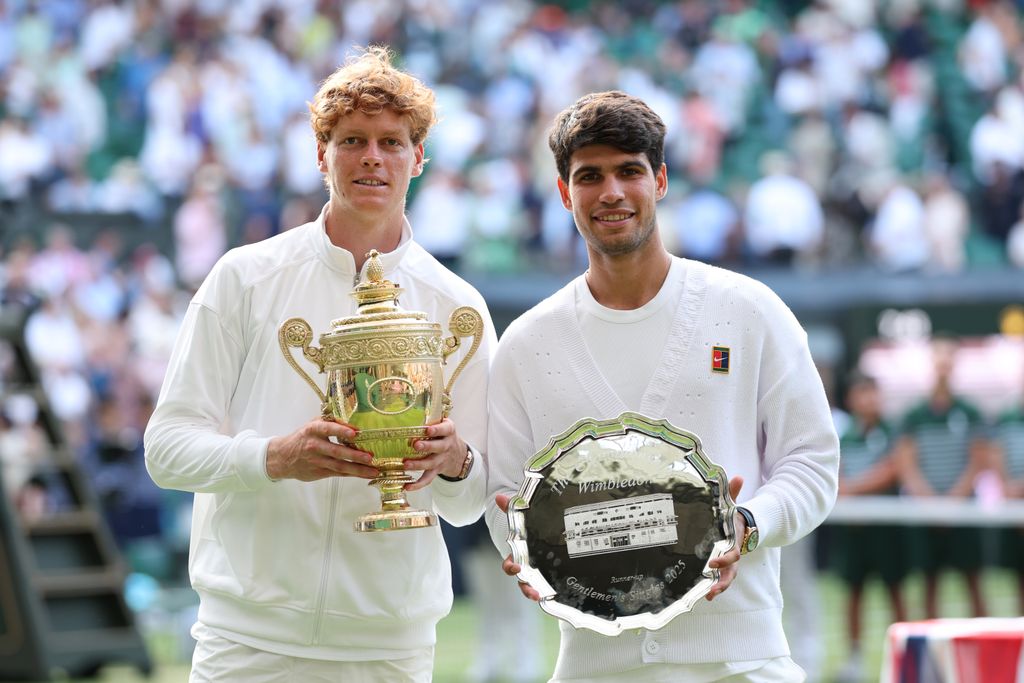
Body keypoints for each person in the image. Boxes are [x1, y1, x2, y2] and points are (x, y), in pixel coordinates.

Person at [144, 46, 496, 682]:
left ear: (418, 159)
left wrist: (455, 461)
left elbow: (474, 501)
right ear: (320, 155)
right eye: (352, 139)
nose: (371, 157)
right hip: (245, 640)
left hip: (388, 644)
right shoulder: (245, 278)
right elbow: (166, 449)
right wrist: (274, 458)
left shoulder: (457, 305)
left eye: (392, 142)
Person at [484, 91, 840, 683]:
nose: (612, 192)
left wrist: (745, 527)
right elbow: (507, 496)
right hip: (596, 666)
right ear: (564, 192)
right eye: (590, 176)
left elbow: (812, 462)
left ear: (662, 180)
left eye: (630, 171)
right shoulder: (526, 343)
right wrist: (526, 551)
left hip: (741, 661)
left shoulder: (749, 311)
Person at [894, 337, 989, 619]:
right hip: (927, 512)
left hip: (963, 510)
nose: (943, 369)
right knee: (929, 584)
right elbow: (906, 464)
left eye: (948, 363)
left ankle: (985, 653)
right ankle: (930, 656)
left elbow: (978, 461)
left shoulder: (970, 411)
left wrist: (953, 502)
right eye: (939, 363)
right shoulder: (914, 415)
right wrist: (932, 504)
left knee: (973, 581)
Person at [829, 371, 907, 683]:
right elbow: (836, 471)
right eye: (863, 393)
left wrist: (851, 491)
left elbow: (893, 469)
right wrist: (845, 493)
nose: (869, 399)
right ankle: (854, 659)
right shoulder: (845, 436)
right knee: (854, 593)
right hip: (854, 530)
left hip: (887, 530)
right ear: (852, 399)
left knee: (895, 591)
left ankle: (906, 657)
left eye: (873, 392)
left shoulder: (893, 431)